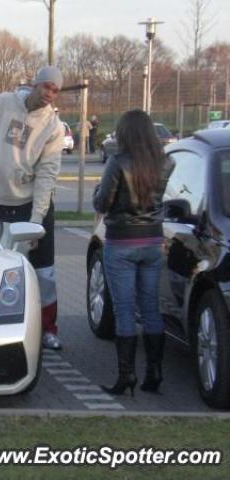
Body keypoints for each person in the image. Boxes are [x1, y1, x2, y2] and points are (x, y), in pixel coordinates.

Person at [0, 65, 65, 350]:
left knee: (43, 271)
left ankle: (48, 328)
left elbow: (47, 177)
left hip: (32, 206)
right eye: (47, 87)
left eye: (55, 90)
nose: (50, 94)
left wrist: (37, 222)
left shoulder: (53, 127)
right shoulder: (4, 103)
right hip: (1, 203)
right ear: (35, 84)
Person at [93, 109, 174, 396]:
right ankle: (154, 372)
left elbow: (103, 203)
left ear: (125, 133)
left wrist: (95, 192)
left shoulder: (118, 162)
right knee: (151, 308)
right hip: (152, 241)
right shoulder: (165, 162)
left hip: (122, 243)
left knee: (125, 310)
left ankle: (126, 375)